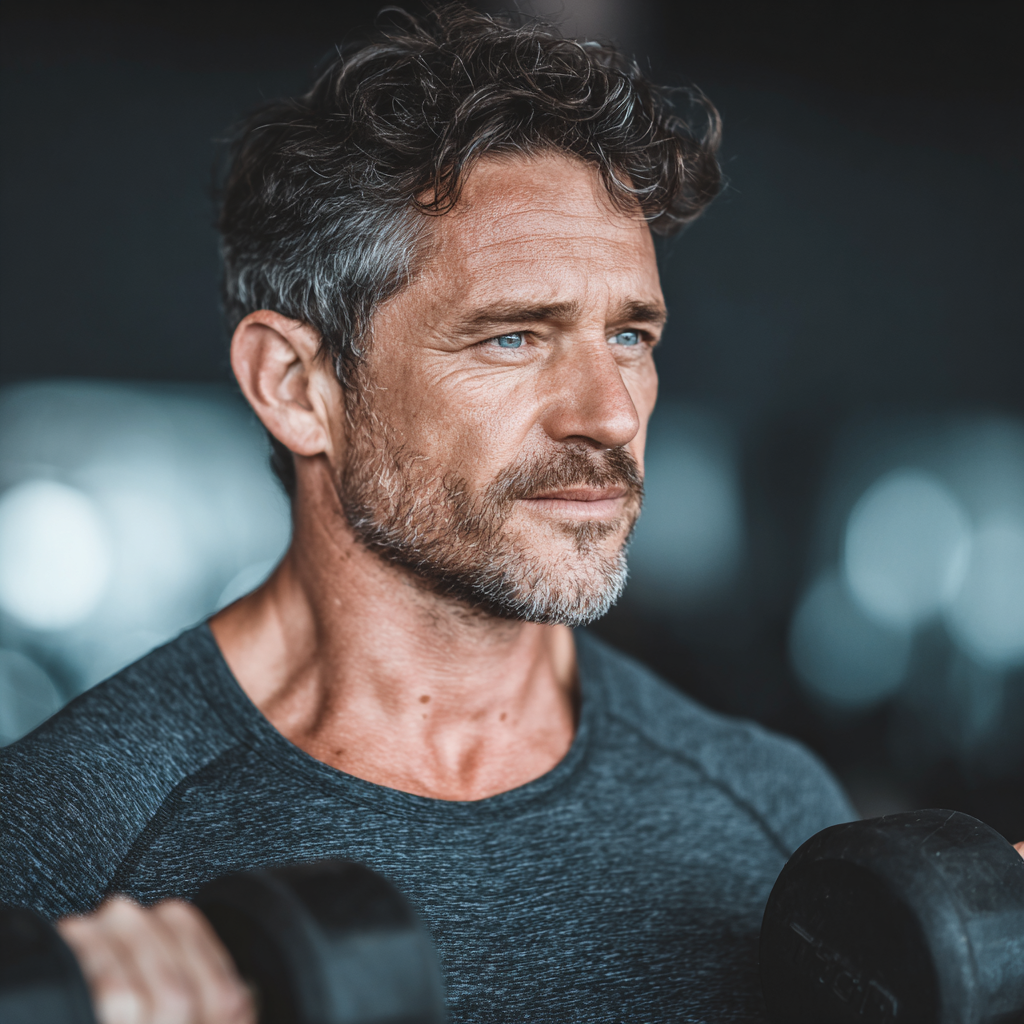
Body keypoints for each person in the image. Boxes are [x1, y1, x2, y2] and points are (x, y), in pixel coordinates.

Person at [1, 6, 857, 1022]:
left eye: (630, 336)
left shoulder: (774, 819)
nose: (609, 414)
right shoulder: (63, 841)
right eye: (512, 337)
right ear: (295, 386)